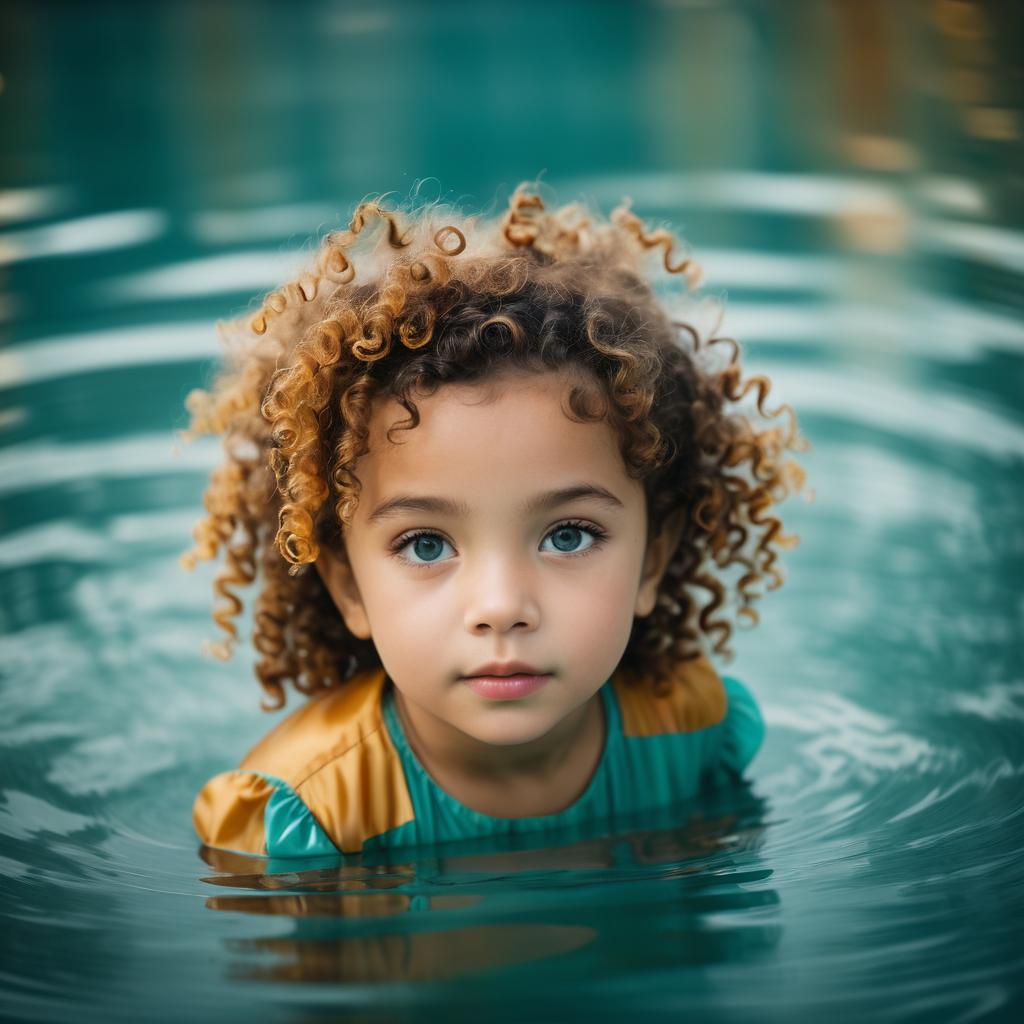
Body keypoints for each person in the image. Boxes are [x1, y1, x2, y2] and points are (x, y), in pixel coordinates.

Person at [182, 183, 808, 858]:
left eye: (568, 535)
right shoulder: (307, 819)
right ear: (349, 588)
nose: (502, 608)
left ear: (652, 559)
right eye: (426, 545)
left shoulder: (691, 732)